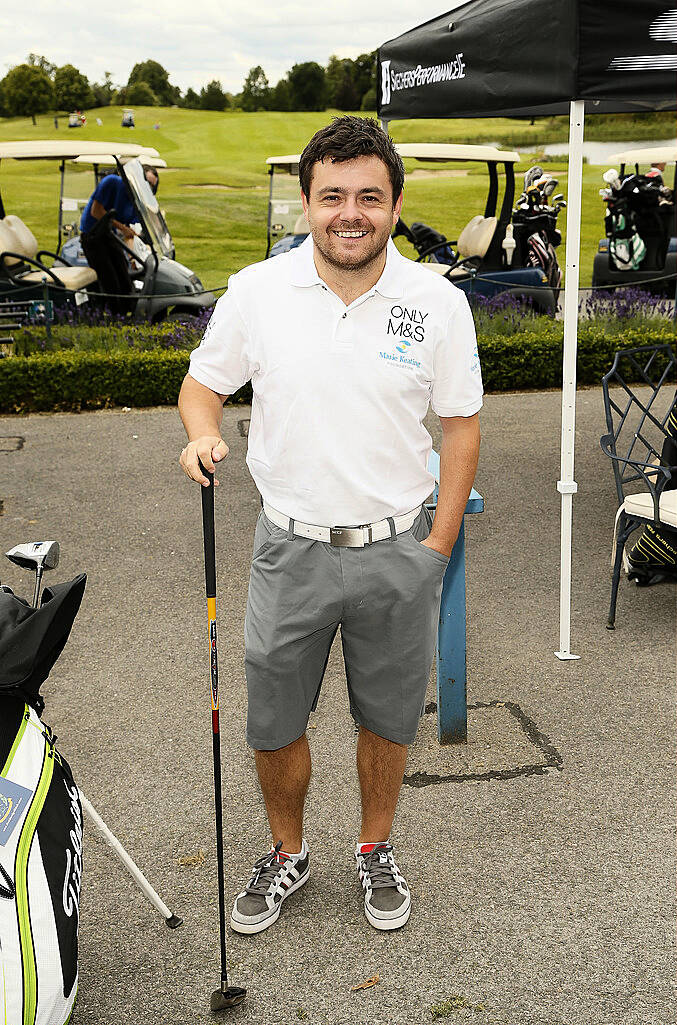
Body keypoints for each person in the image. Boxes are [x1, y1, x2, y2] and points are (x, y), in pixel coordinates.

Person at [178, 116, 482, 934]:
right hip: (290, 548)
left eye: (369, 197)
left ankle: (373, 844)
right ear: (307, 203)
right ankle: (288, 851)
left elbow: (459, 427)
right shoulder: (257, 291)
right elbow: (202, 386)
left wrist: (437, 549)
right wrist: (202, 432)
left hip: (398, 549)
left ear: (394, 205)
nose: (351, 213)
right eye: (332, 196)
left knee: (385, 720)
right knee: (274, 723)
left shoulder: (438, 301)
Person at [79, 165, 159, 313]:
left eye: (151, 187)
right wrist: (122, 228)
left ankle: (128, 313)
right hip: (92, 237)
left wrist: (135, 255)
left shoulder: (134, 201)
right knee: (111, 280)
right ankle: (116, 318)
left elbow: (130, 229)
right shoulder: (112, 182)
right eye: (146, 183)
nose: (147, 188)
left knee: (124, 273)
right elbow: (96, 211)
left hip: (109, 235)